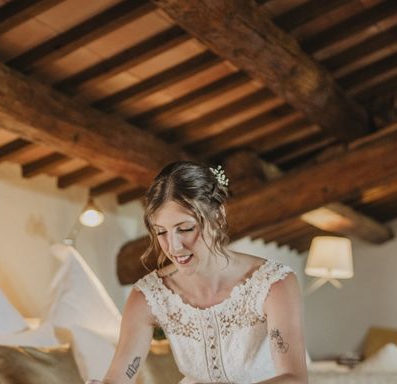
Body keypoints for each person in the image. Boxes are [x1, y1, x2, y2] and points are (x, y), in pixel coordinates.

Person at [89, 161, 308, 384]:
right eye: (161, 232)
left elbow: (294, 379)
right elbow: (118, 379)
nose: (173, 247)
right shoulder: (148, 296)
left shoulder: (273, 283)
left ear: (219, 216)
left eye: (185, 228)